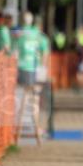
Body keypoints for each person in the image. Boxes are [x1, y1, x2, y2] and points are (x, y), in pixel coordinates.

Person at [13, 12, 50, 145]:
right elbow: (44, 51)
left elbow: (14, 51)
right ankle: (35, 129)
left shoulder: (19, 33)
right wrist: (42, 68)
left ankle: (22, 130)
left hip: (22, 69)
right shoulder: (38, 35)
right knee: (34, 100)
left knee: (22, 99)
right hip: (33, 70)